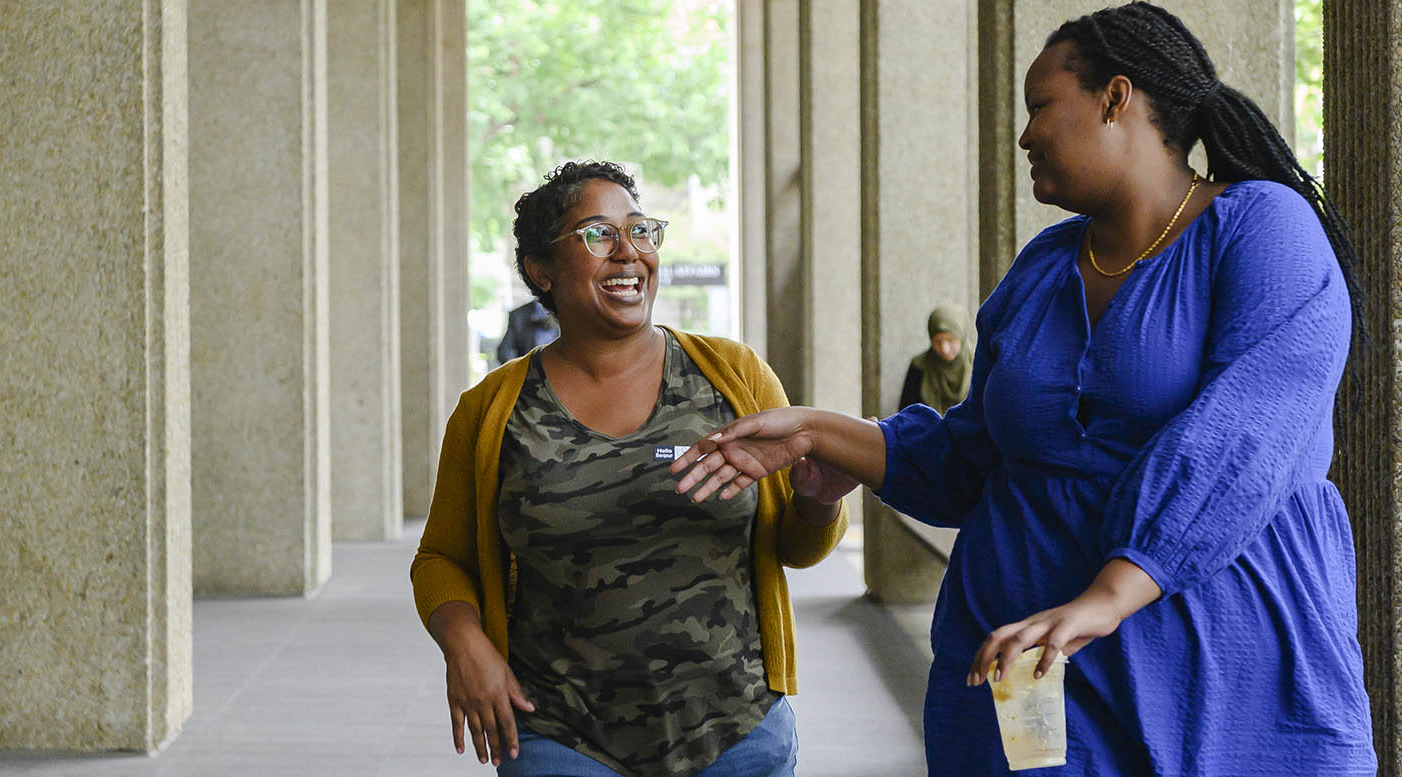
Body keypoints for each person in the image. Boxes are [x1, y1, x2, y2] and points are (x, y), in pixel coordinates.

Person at [669, 4, 1375, 775]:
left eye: (1041, 104)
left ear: (1116, 97)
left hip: (1220, 671)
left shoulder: (1262, 227)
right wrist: (814, 432)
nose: (1025, 133)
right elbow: (976, 456)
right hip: (1025, 672)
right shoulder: (1043, 266)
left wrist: (1107, 595)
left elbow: (1248, 438)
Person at [410, 160, 848, 777]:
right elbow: (439, 560)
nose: (628, 252)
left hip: (737, 734)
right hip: (559, 736)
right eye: (598, 234)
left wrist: (818, 501)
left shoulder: (734, 376)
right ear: (541, 270)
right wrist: (466, 646)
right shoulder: (492, 412)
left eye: (640, 231)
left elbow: (796, 549)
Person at [898, 304, 973, 414]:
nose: (944, 349)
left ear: (962, 337)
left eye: (950, 340)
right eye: (937, 341)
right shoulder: (919, 366)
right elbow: (906, 414)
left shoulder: (978, 363)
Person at [496, 298, 561, 365]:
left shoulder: (565, 311)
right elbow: (505, 350)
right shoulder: (518, 315)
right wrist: (519, 369)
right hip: (528, 369)